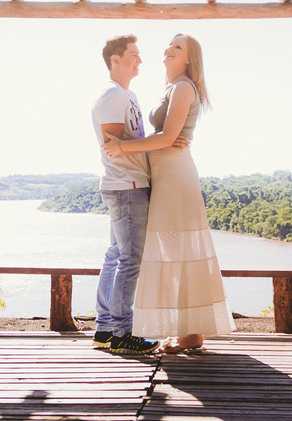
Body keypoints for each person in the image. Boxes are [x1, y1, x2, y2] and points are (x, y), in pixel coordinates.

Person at [102, 33, 233, 352]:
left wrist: (122, 148)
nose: (169, 49)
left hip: (175, 176)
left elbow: (167, 137)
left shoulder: (184, 86)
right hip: (162, 175)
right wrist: (157, 141)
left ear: (189, 58)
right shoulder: (174, 88)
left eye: (178, 47)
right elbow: (164, 137)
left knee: (179, 252)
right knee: (170, 253)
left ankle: (192, 333)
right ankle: (184, 330)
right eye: (169, 45)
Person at [91, 34, 161, 354]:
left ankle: (105, 328)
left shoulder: (127, 95)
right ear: (115, 59)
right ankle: (122, 332)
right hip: (126, 187)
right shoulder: (111, 96)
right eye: (133, 54)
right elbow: (114, 149)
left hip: (129, 186)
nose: (140, 60)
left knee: (115, 256)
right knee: (130, 260)